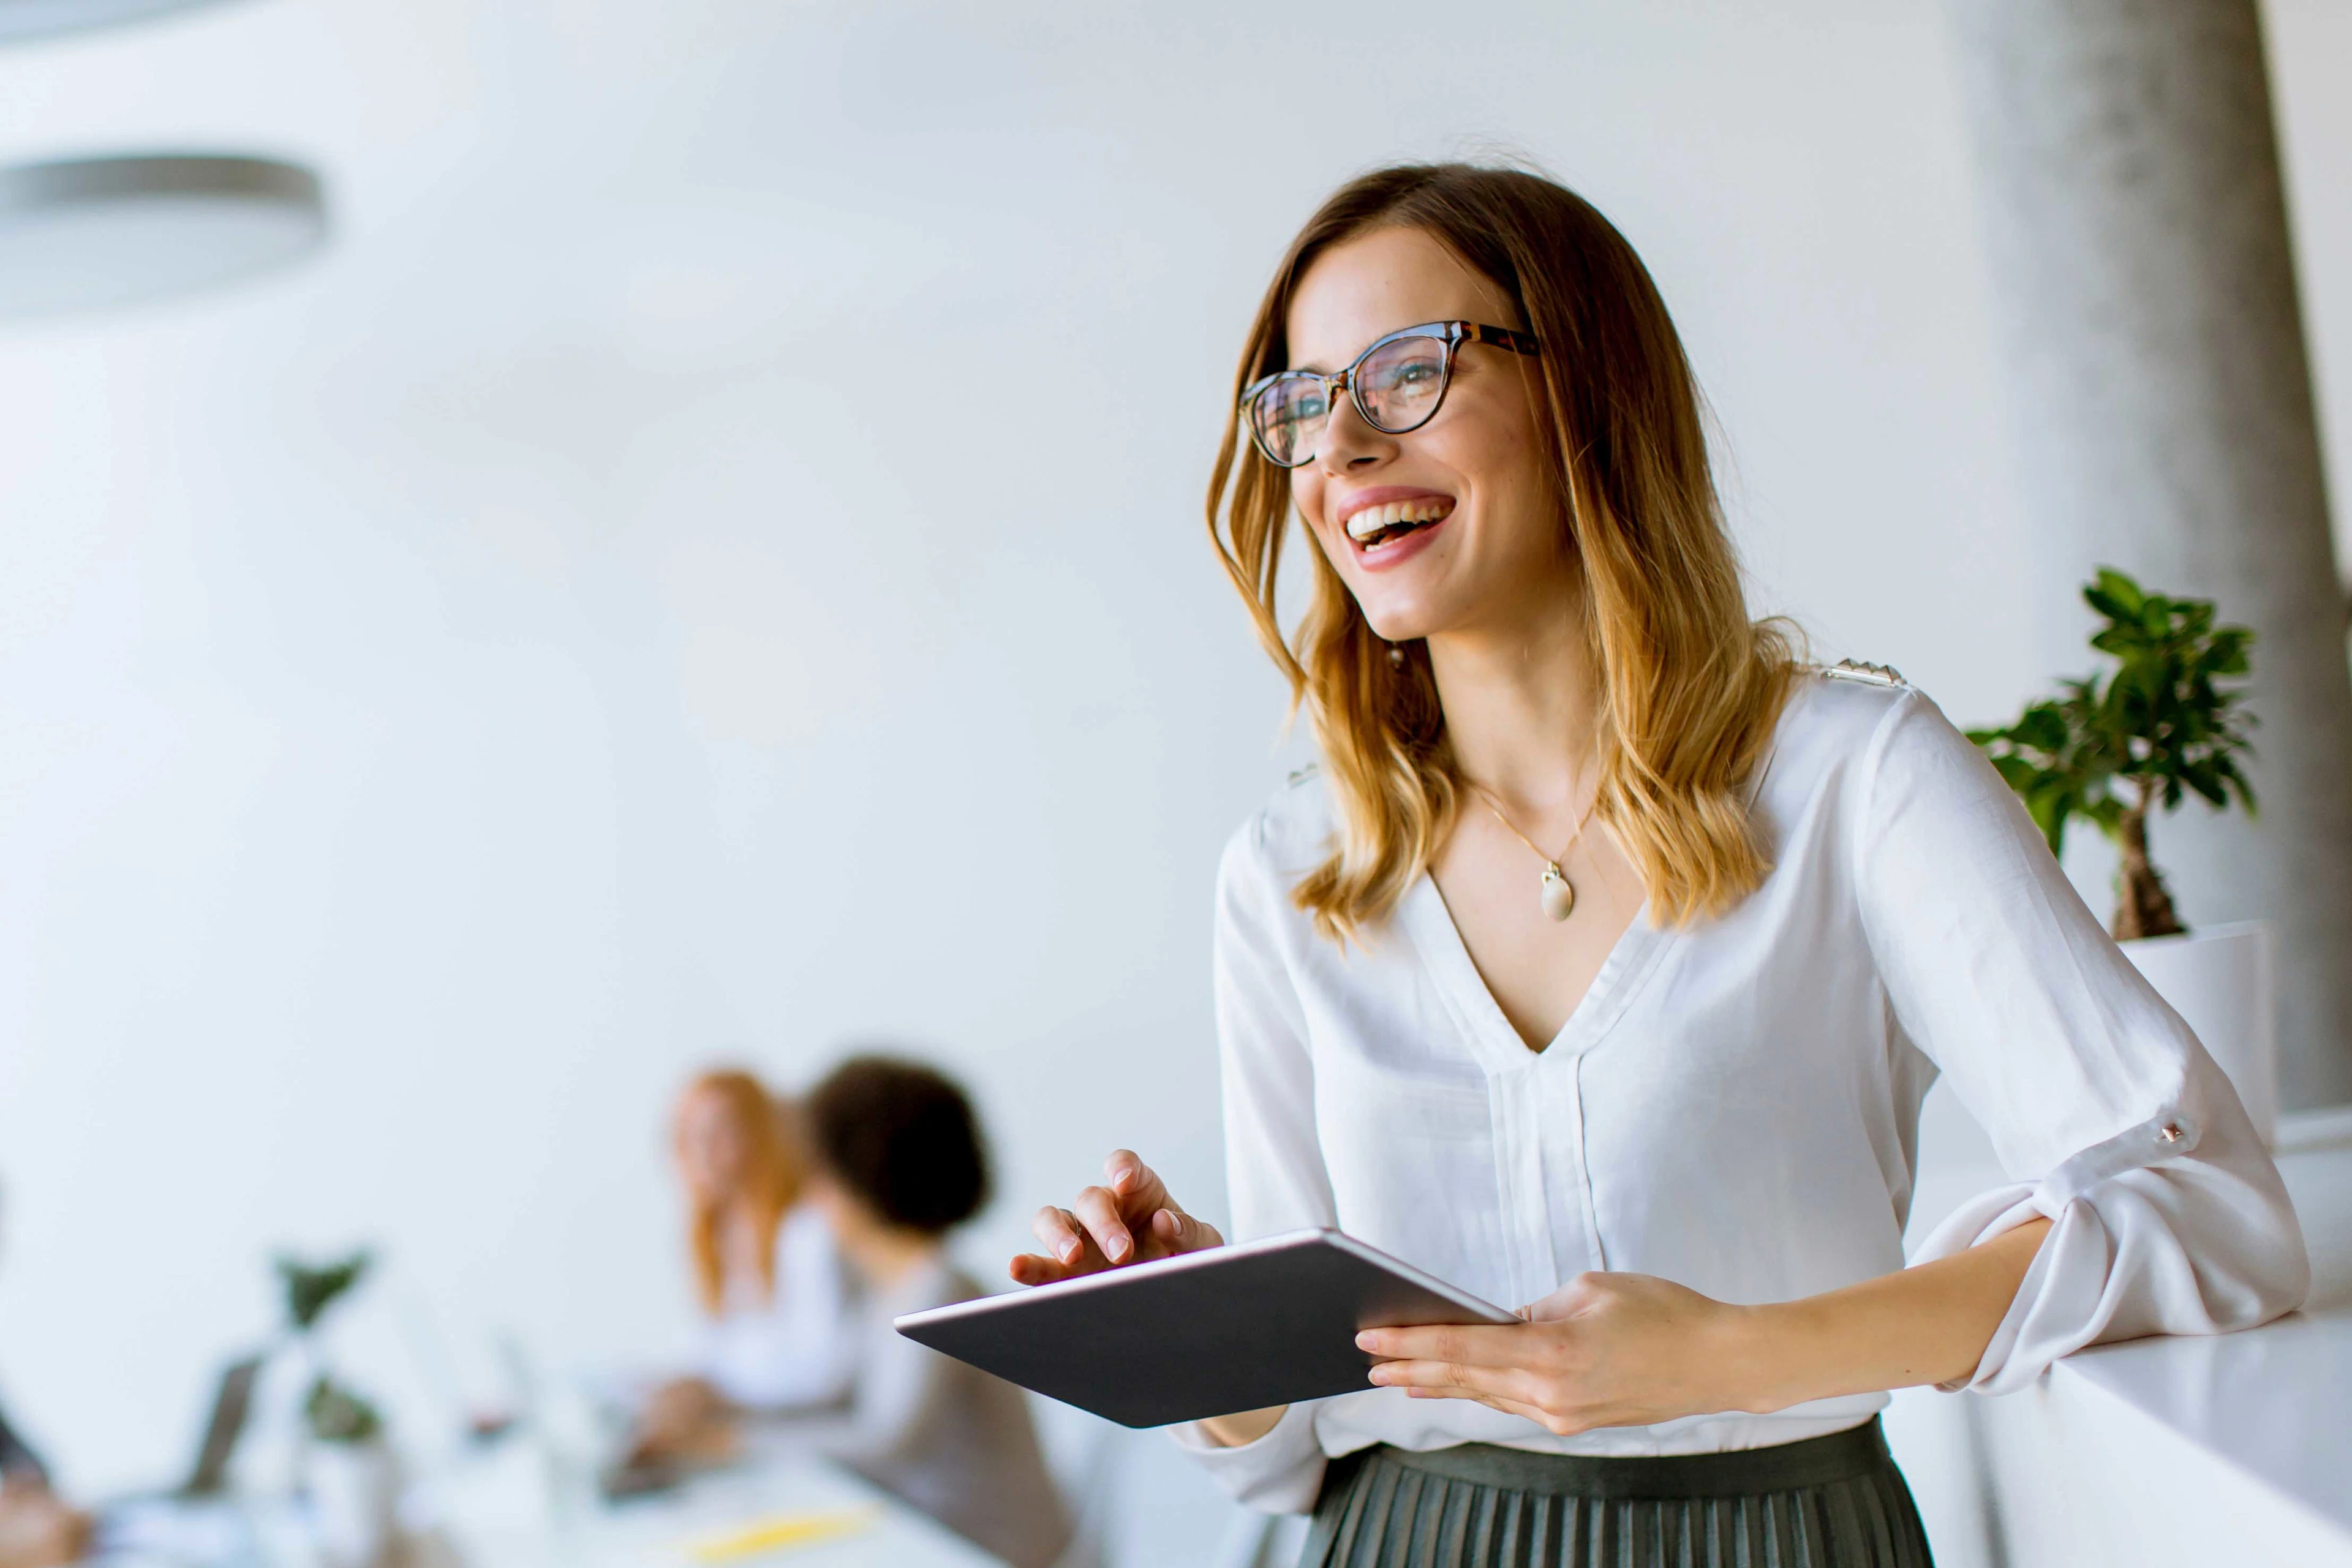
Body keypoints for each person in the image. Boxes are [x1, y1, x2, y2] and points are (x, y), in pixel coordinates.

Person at [1011, 163, 2308, 1568]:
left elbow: (2209, 1213)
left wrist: (1731, 1352)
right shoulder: (1291, 871)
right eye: (1304, 405)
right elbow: (1284, 1452)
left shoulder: (1854, 778)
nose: (1343, 450)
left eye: (1406, 371)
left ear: (1587, 383)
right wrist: (1197, 1316)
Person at [800, 1055, 1072, 1568]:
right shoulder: (887, 1290)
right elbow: (831, 1395)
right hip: (943, 1542)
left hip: (999, 1554)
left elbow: (888, 1444)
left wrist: (729, 1441)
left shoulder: (942, 1288)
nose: (811, 1201)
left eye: (819, 1177)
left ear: (859, 1178)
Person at [628, 1069, 859, 1470]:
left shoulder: (806, 1233)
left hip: (811, 1451)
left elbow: (825, 1375)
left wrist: (719, 1396)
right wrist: (683, 1387)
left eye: (720, 1132)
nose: (703, 1150)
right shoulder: (711, 1237)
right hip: (750, 1445)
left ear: (760, 1135)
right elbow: (709, 1347)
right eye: (690, 1135)